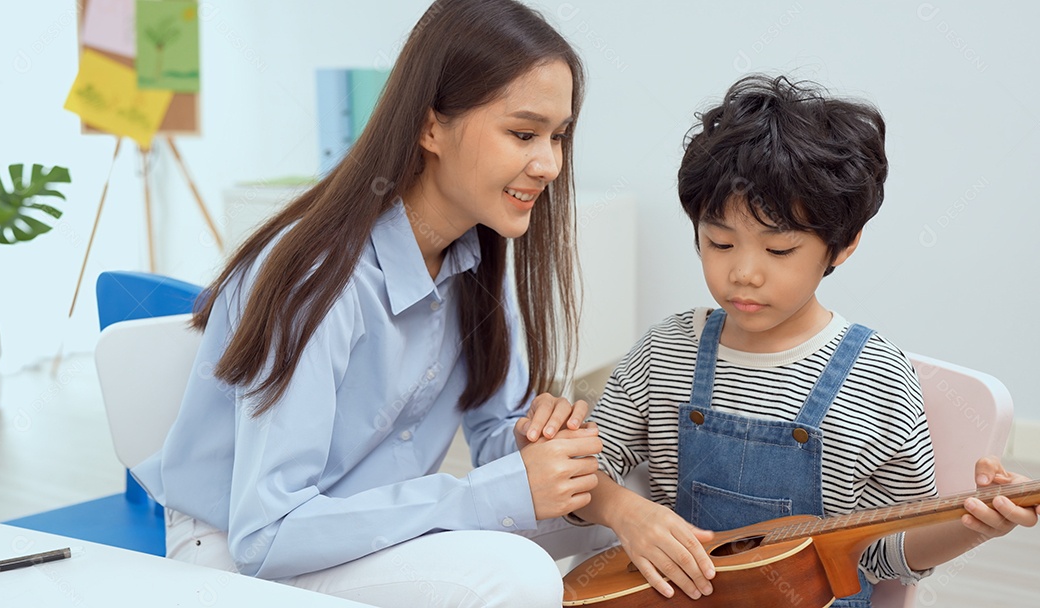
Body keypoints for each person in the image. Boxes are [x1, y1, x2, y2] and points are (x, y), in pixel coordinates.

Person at [131, 1, 609, 606]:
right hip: (243, 551)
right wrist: (487, 495)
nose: (548, 164)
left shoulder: (473, 256)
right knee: (514, 574)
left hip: (365, 528)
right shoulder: (320, 282)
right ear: (430, 126)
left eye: (557, 136)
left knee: (628, 502)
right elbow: (267, 533)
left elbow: (493, 436)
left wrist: (538, 445)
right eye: (523, 133)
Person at [569, 75, 1039, 607]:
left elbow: (886, 555)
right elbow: (582, 478)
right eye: (719, 242)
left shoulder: (877, 381)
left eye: (780, 250)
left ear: (843, 246)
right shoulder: (666, 351)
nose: (744, 273)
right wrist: (623, 511)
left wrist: (977, 525)